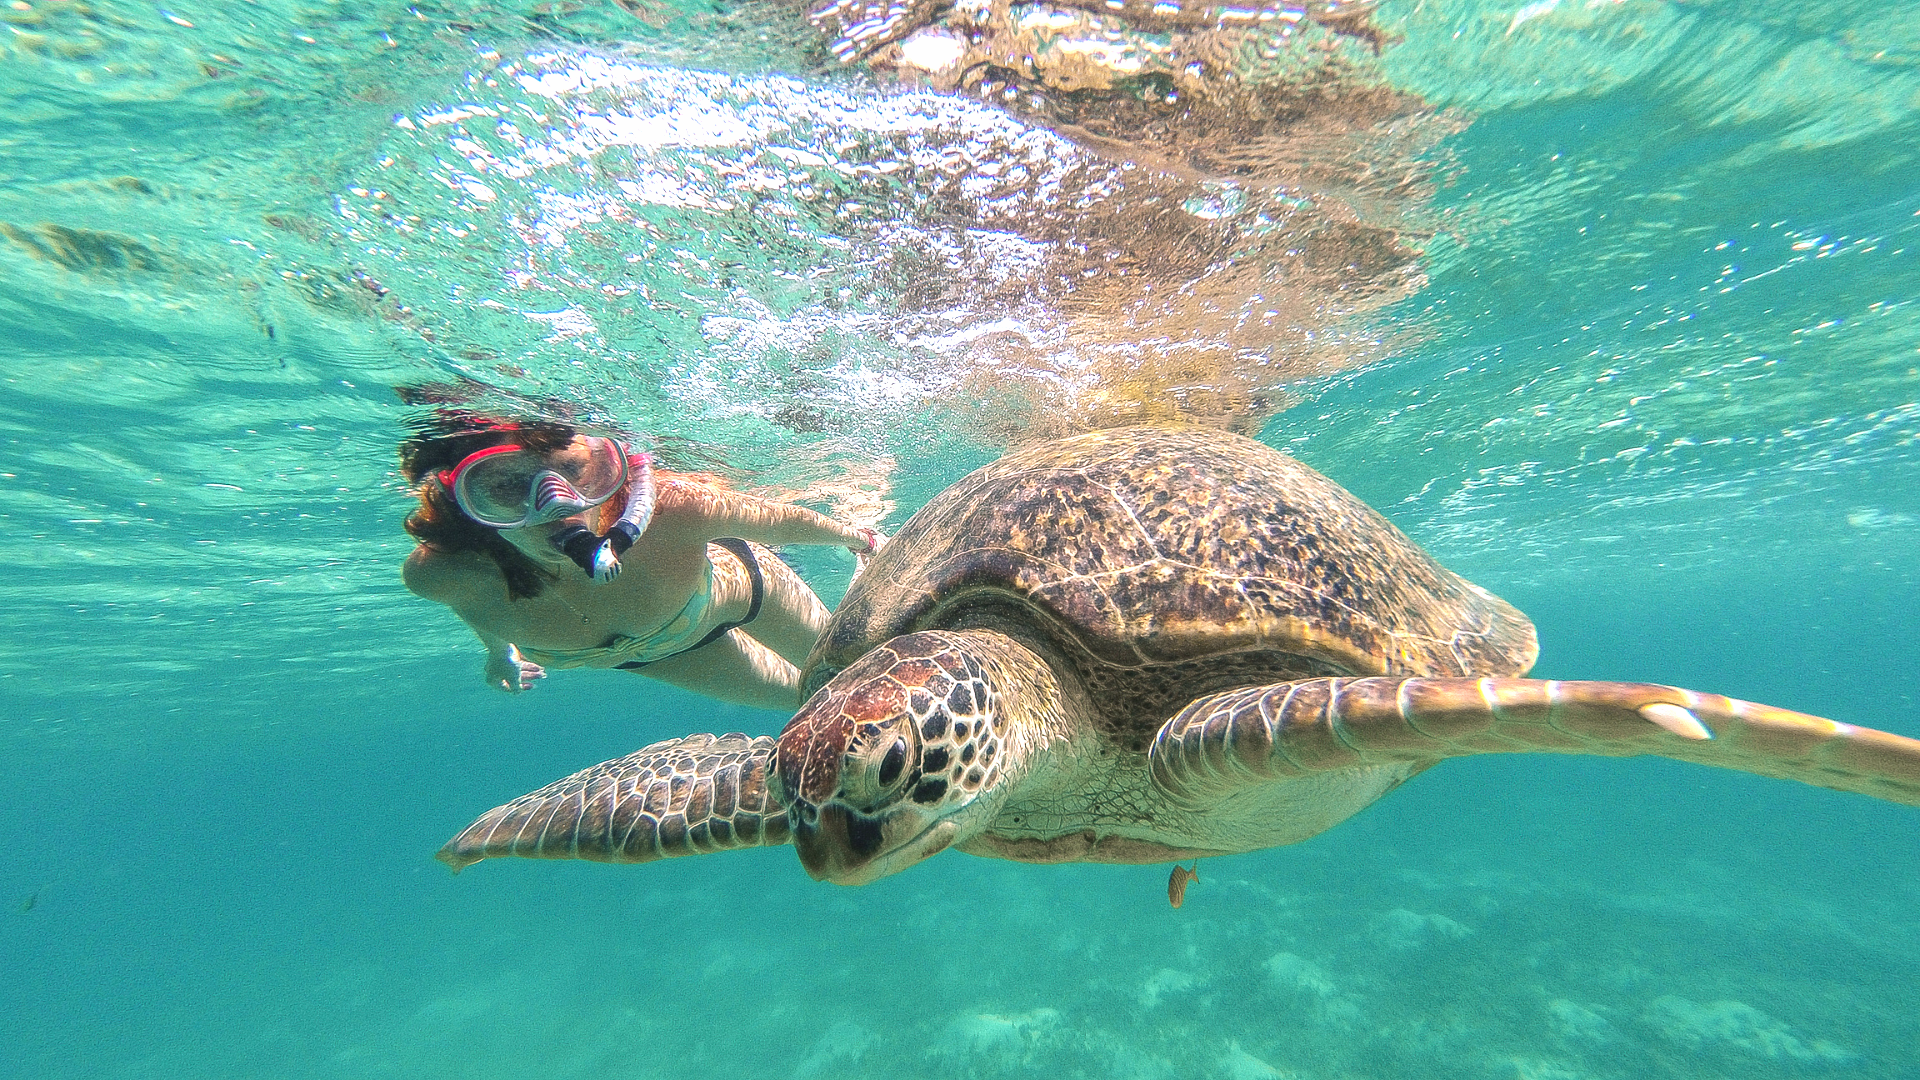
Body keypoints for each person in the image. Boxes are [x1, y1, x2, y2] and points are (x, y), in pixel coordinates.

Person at [398, 419, 883, 710]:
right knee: (816, 701)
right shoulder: (440, 574)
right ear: (464, 500)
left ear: (604, 465)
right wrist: (499, 653)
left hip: (742, 592)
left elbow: (781, 522)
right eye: (504, 487)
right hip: (663, 654)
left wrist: (856, 538)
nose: (557, 505)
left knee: (859, 678)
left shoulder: (671, 508)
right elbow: (474, 607)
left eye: (571, 470)